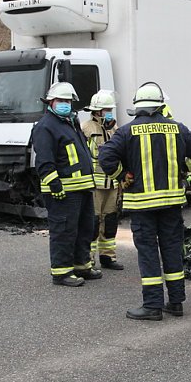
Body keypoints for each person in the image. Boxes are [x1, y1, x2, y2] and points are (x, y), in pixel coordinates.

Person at [98, 82, 191, 321]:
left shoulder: (127, 131)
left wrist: (121, 176)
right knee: (172, 250)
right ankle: (176, 302)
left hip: (142, 205)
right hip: (171, 203)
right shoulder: (178, 129)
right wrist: (182, 170)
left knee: (148, 254)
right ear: (160, 106)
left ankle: (152, 306)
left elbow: (105, 157)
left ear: (138, 108)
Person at [31, 82, 102, 287]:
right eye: (61, 101)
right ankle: (61, 272)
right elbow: (44, 160)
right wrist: (55, 185)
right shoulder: (45, 126)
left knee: (84, 228)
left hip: (81, 188)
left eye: (68, 101)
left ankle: (81, 265)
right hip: (63, 191)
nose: (65, 104)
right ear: (51, 102)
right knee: (64, 231)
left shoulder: (69, 123)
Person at [80, 89, 125, 271]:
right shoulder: (86, 128)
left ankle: (108, 256)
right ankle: (88, 259)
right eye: (106, 109)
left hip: (113, 183)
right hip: (95, 184)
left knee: (111, 220)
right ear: (97, 111)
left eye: (110, 109)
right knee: (93, 222)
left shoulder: (115, 128)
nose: (109, 113)